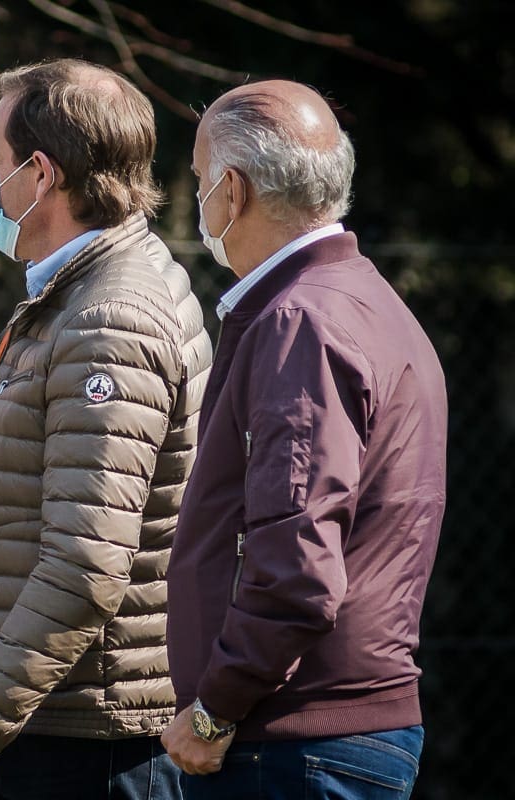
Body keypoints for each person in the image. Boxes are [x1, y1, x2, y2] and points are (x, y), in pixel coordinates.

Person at [0, 60, 212, 800]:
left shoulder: (108, 316)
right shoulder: (88, 287)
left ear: (41, 174)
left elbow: (83, 569)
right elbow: (49, 442)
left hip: (77, 744)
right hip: (56, 724)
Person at [160, 80, 448, 799]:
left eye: (198, 181)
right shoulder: (365, 299)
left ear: (231, 190)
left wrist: (215, 708)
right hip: (325, 736)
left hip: (293, 743)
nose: (197, 199)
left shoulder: (302, 321)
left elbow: (295, 565)